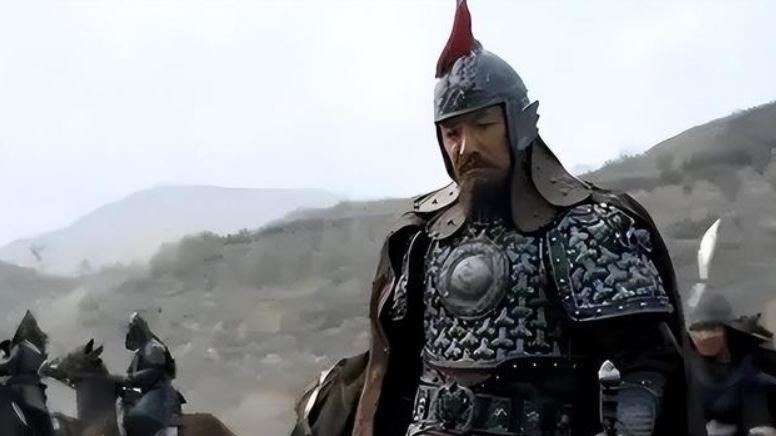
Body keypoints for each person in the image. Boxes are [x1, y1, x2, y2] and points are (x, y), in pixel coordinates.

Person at [293, 1, 697, 435]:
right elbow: (396, 371)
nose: (466, 147)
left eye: (483, 125)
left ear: (518, 122)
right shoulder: (421, 238)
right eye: (452, 132)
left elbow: (645, 364)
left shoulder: (586, 229)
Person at [687, 292, 776, 435]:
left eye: (711, 328)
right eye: (697, 329)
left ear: (725, 329)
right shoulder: (689, 365)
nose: (703, 335)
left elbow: (758, 415)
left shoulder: (750, 363)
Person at [119, 312, 182, 436]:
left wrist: (133, 378)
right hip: (145, 393)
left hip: (158, 393)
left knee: (137, 420)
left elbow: (156, 371)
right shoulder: (140, 352)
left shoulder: (153, 348)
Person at [0, 310, 54, 436]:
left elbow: (10, 364)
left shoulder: (23, 348)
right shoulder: (30, 349)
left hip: (21, 386)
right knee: (41, 416)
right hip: (26, 387)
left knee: (40, 415)